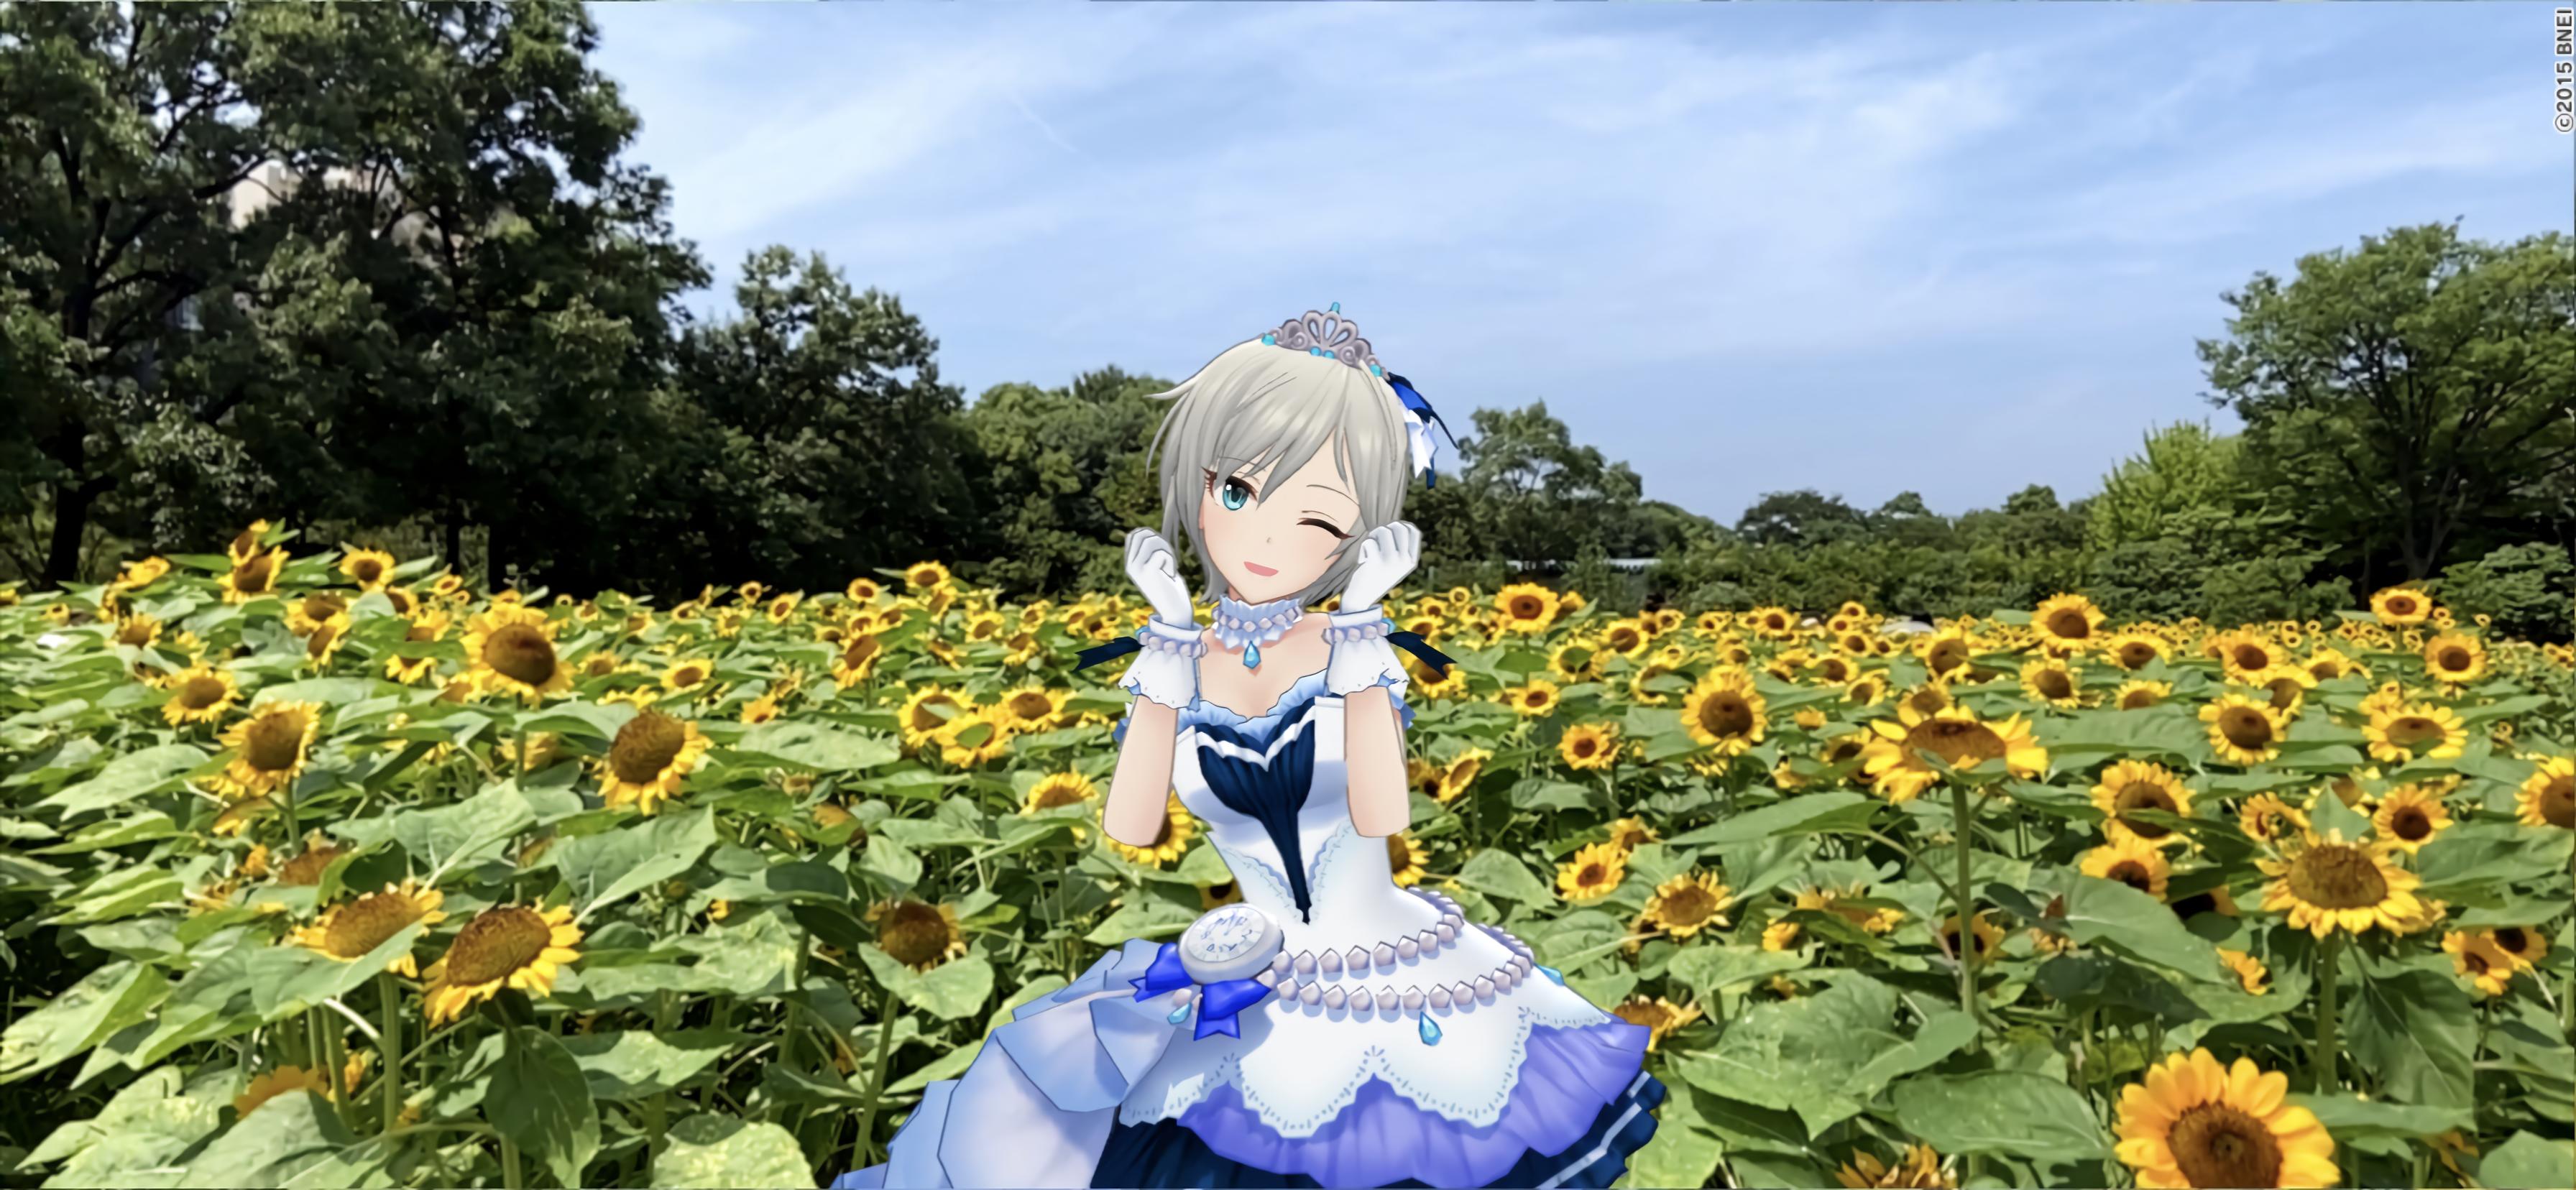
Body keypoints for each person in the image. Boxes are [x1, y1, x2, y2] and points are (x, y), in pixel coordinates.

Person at [835, 306, 1662, 1189]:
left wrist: (1360, 623)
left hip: (1387, 973)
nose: (1264, 537)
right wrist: (1167, 638)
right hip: (1240, 976)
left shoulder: (1356, 649)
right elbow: (1132, 825)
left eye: (1317, 520)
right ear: (1197, 483)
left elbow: (1382, 810)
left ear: (1360, 533)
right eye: (1236, 492)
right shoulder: (1175, 661)